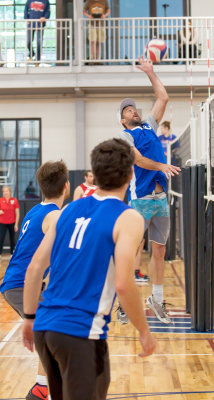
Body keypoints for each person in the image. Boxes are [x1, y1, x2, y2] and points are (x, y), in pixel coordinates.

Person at [22, 139, 156, 400]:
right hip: (80, 334)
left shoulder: (68, 210)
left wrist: (29, 317)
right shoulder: (129, 217)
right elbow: (123, 284)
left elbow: (35, 267)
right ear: (131, 175)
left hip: (45, 329)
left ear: (93, 175)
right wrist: (144, 330)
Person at [119, 57, 181, 324]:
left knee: (159, 252)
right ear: (122, 120)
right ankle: (123, 304)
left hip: (160, 198)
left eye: (134, 108)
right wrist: (162, 165)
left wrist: (151, 73)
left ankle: (156, 299)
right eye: (128, 110)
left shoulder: (149, 126)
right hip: (140, 200)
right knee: (131, 252)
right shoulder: (125, 136)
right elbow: (137, 159)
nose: (133, 110)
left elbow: (163, 97)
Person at [0, 161, 69, 400]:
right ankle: (43, 389)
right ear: (66, 187)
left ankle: (42, 387)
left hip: (20, 283)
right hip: (21, 285)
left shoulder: (35, 211)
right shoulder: (55, 216)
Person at [24, 0, 51, 66]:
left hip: (40, 25)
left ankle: (37, 59)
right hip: (30, 24)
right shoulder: (29, 1)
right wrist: (26, 18)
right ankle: (31, 54)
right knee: (28, 41)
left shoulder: (46, 1)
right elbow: (26, 9)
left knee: (39, 42)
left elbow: (48, 11)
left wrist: (45, 17)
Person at [0, 186, 19, 257]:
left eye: (6, 191)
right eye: (4, 191)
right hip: (2, 223)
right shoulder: (0, 200)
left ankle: (12, 253)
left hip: (12, 222)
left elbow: (17, 213)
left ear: (10, 192)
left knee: (12, 239)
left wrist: (16, 224)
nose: (5, 193)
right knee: (1, 238)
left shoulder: (14, 200)